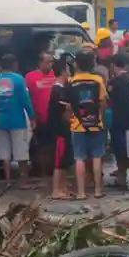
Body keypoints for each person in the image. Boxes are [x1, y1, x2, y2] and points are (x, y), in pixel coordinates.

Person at [66, 48, 108, 200]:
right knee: (97, 156)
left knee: (79, 158)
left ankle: (81, 192)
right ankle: (97, 190)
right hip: (96, 123)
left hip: (78, 125)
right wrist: (99, 118)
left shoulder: (71, 81)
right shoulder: (98, 80)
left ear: (76, 64)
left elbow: (69, 106)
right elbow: (103, 102)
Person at [0, 53, 35, 189]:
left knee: (4, 152)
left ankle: (8, 180)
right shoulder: (18, 79)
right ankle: (24, 181)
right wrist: (32, 116)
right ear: (14, 64)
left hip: (1, 120)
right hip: (17, 120)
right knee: (21, 151)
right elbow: (25, 100)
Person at [109, 53, 129, 192]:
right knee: (127, 151)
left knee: (126, 152)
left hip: (121, 121)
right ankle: (128, 180)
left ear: (113, 65)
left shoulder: (115, 82)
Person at [24, 51, 57, 180]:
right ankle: (41, 171)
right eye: (47, 62)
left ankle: (53, 169)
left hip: (54, 118)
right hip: (39, 118)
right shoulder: (30, 77)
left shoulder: (56, 75)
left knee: (53, 145)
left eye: (51, 62)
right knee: (40, 146)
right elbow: (27, 98)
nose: (50, 65)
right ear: (40, 63)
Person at [47, 64, 75, 199]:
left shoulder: (62, 89)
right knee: (59, 161)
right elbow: (61, 110)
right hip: (59, 131)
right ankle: (56, 189)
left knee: (64, 161)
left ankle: (63, 187)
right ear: (63, 72)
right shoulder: (57, 91)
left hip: (64, 130)